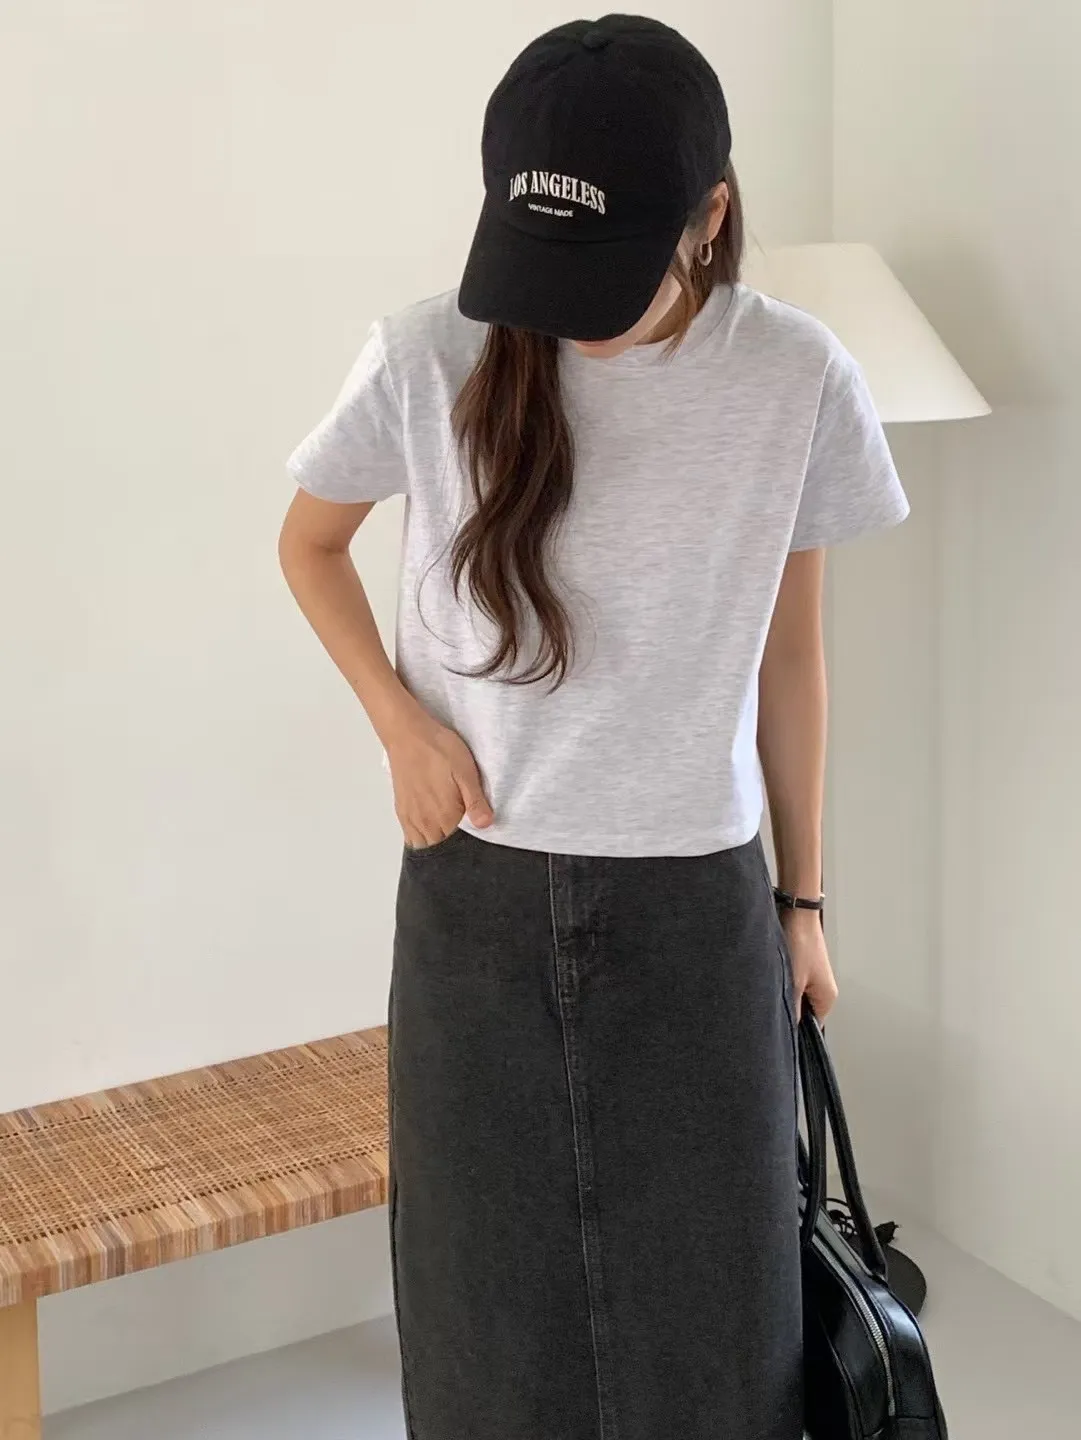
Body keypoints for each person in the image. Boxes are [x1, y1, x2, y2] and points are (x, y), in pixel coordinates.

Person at [279, 15, 908, 1440]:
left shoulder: (796, 376)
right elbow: (307, 546)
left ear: (711, 217)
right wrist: (399, 727)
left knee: (717, 1324)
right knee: (486, 1320)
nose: (567, 314)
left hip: (696, 906)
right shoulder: (428, 353)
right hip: (478, 900)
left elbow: (791, 657)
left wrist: (805, 902)